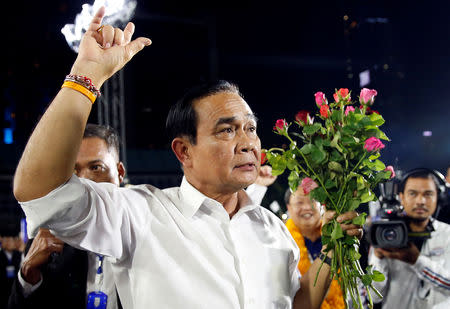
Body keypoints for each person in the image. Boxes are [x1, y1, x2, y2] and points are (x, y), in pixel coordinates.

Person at [13, 7, 363, 308]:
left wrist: (332, 250)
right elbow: (39, 190)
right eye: (227, 130)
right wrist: (86, 77)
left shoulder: (273, 230)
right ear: (184, 150)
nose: (247, 143)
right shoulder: (137, 215)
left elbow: (296, 303)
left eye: (251, 128)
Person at [8, 124, 125, 309]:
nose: (84, 181)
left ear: (119, 173)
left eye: (96, 167)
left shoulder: (147, 233)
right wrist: (27, 275)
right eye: (73, 171)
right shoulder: (44, 242)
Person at [368, 168, 450, 309]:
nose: (420, 201)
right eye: (413, 193)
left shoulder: (447, 234)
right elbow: (373, 296)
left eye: (428, 194)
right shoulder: (384, 233)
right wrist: (378, 259)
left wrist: (416, 261)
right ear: (402, 197)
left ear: (439, 197)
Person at [284, 186, 345, 309]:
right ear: (289, 208)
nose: (307, 207)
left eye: (313, 200)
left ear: (322, 205)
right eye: (300, 202)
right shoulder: (281, 245)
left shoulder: (341, 237)